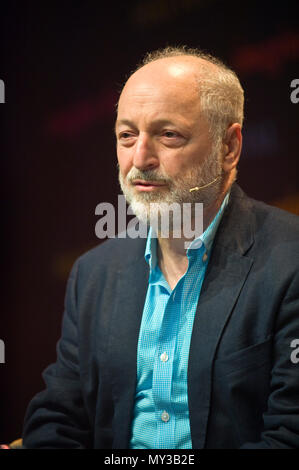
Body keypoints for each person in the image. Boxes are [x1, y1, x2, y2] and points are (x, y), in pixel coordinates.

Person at [22, 46, 299, 449]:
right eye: (126, 135)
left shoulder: (290, 261)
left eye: (168, 135)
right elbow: (58, 416)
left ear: (229, 147)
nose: (140, 158)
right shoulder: (93, 274)